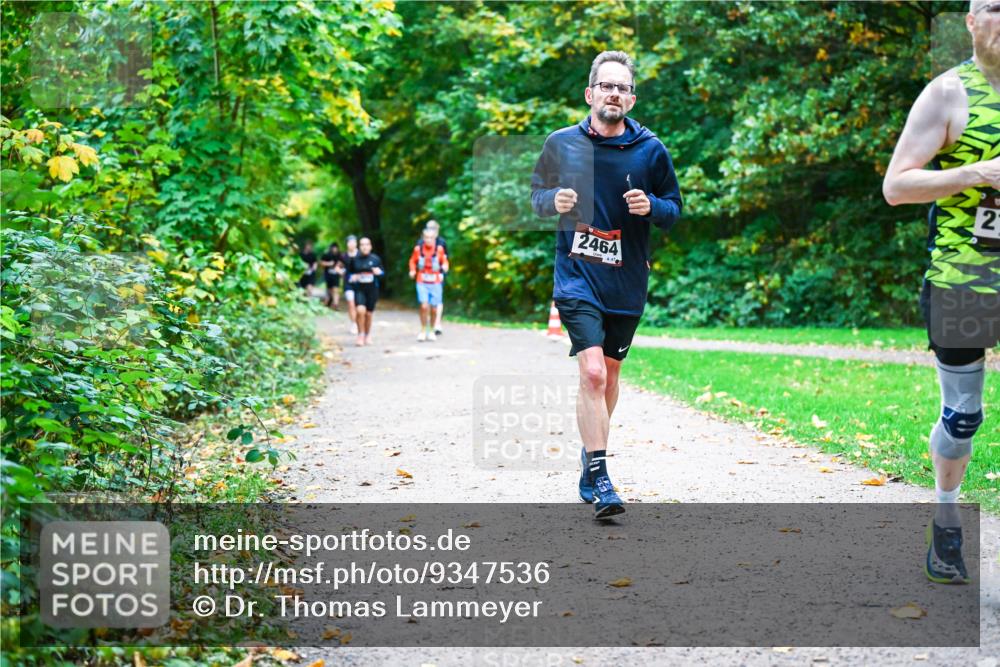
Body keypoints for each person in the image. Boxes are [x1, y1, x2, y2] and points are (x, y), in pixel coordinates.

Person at [530, 50, 681, 518]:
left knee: (610, 375)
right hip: (576, 276)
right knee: (592, 373)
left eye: (622, 87)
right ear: (589, 93)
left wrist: (652, 207)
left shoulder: (651, 150)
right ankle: (601, 476)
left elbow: (674, 210)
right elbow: (535, 196)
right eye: (606, 85)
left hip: (626, 280)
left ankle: (588, 456)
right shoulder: (561, 143)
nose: (614, 93)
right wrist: (553, 200)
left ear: (631, 99)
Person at [882, 0, 1000, 584]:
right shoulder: (948, 94)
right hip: (964, 280)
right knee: (963, 418)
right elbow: (896, 185)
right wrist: (977, 173)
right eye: (995, 7)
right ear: (971, 21)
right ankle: (946, 519)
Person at [409, 228, 449, 341]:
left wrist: (445, 266)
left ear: (434, 238)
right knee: (424, 305)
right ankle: (423, 330)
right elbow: (412, 261)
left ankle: (431, 330)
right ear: (423, 238)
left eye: (431, 238)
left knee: (434, 309)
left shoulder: (439, 249)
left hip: (435, 282)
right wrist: (412, 270)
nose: (429, 240)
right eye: (426, 237)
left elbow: (445, 261)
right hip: (422, 281)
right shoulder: (418, 249)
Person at [346, 237, 384, 346]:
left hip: (372, 290)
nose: (364, 247)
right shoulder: (354, 260)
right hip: (359, 290)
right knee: (360, 310)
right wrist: (352, 277)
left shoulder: (375, 259)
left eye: (367, 244)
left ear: (370, 246)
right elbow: (348, 275)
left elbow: (382, 274)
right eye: (362, 244)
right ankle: (360, 334)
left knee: (368, 314)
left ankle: (367, 335)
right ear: (359, 247)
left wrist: (379, 273)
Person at [341, 236, 359, 335]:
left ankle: (359, 322)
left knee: (359, 305)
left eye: (353, 242)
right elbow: (337, 266)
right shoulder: (343, 256)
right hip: (348, 283)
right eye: (349, 242)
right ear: (347, 244)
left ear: (356, 243)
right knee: (351, 304)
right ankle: (354, 324)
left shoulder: (361, 254)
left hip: (361, 283)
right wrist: (341, 272)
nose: (351, 244)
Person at [320, 241, 343, 310]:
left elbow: (343, 264)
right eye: (333, 248)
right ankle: (328, 302)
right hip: (328, 275)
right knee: (329, 290)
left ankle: (336, 304)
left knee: (336, 289)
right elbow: (321, 263)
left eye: (336, 248)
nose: (335, 249)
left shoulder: (340, 255)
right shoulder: (326, 254)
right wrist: (329, 264)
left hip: (336, 275)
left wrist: (340, 265)